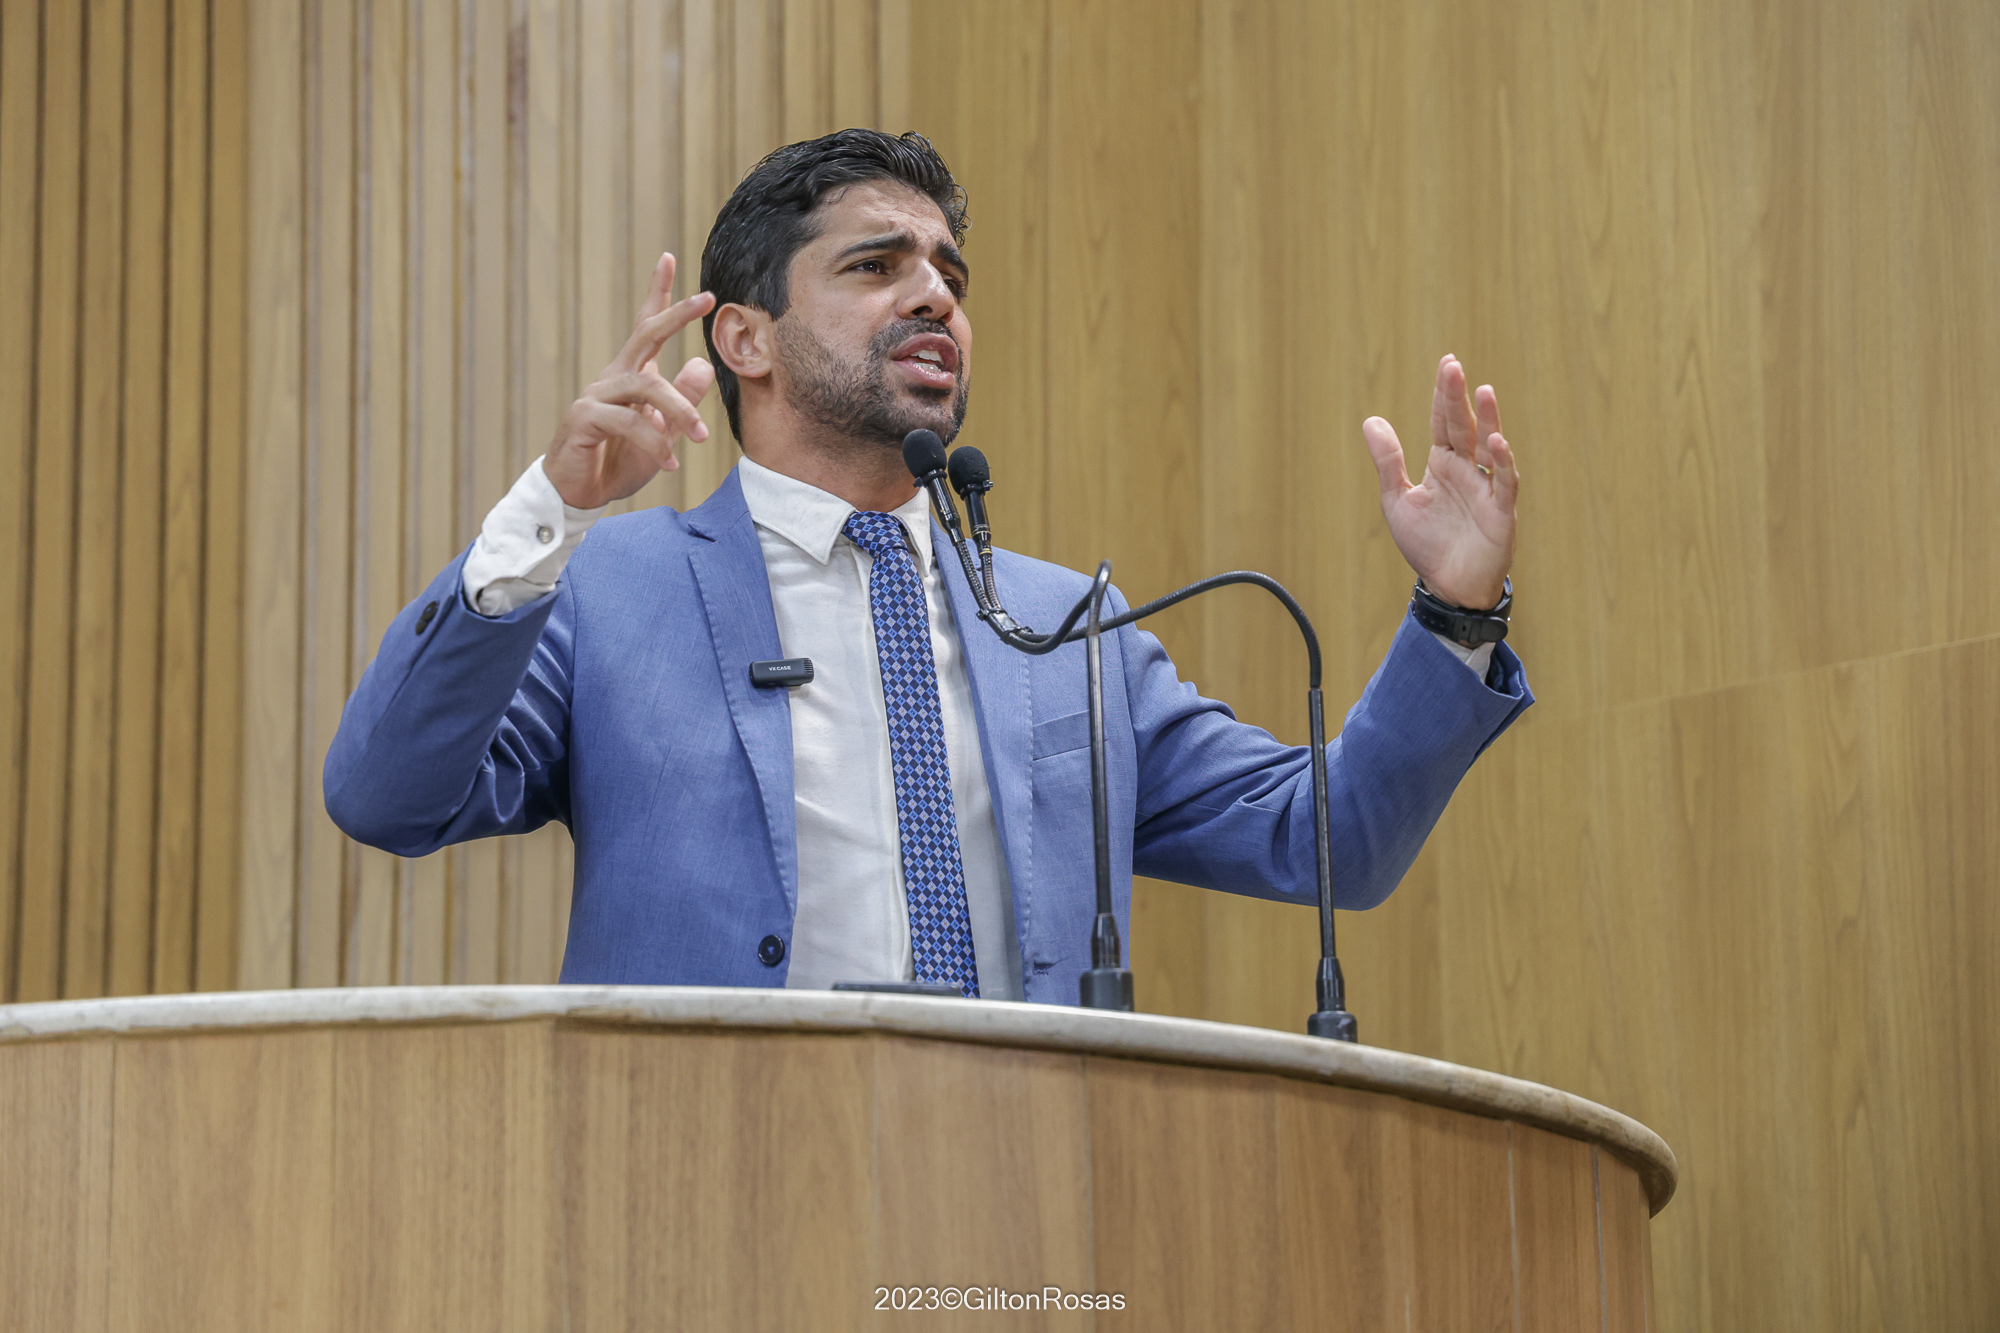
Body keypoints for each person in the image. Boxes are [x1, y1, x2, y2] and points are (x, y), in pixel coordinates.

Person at [324, 129, 1530, 1004]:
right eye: (875, 266)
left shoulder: (1071, 625)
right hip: (702, 1188)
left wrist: (1455, 610)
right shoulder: (610, 589)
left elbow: (1333, 840)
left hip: (1020, 1190)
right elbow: (386, 797)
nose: (934, 298)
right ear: (742, 337)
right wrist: (547, 511)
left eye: (950, 275)